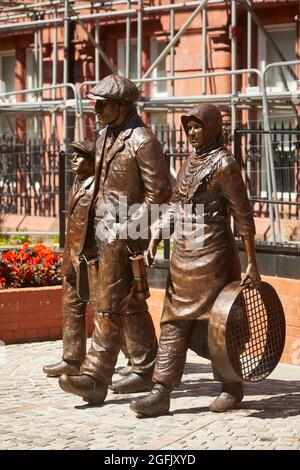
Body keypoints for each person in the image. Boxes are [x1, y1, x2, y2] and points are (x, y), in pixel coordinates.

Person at [129, 103, 261, 417]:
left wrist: (253, 262)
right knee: (173, 320)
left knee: (219, 323)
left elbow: (242, 214)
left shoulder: (224, 163)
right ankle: (161, 391)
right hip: (184, 255)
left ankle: (231, 385)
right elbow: (175, 207)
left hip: (213, 256)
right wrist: (156, 236)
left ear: (212, 127)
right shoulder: (191, 161)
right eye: (188, 126)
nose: (191, 132)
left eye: (197, 126)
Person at [59, 74, 172, 404]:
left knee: (108, 304)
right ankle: (145, 366)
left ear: (122, 106)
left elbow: (160, 194)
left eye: (102, 104)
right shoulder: (107, 133)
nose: (95, 109)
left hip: (125, 235)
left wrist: (128, 230)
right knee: (130, 304)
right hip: (101, 230)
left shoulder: (143, 140)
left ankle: (95, 377)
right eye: (94, 103)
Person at [43, 141, 97, 377]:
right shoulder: (77, 182)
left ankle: (139, 359)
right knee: (71, 307)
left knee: (108, 311)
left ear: (93, 160)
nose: (74, 159)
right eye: (73, 156)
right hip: (73, 257)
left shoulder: (99, 186)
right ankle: (72, 359)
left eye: (80, 155)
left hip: (91, 257)